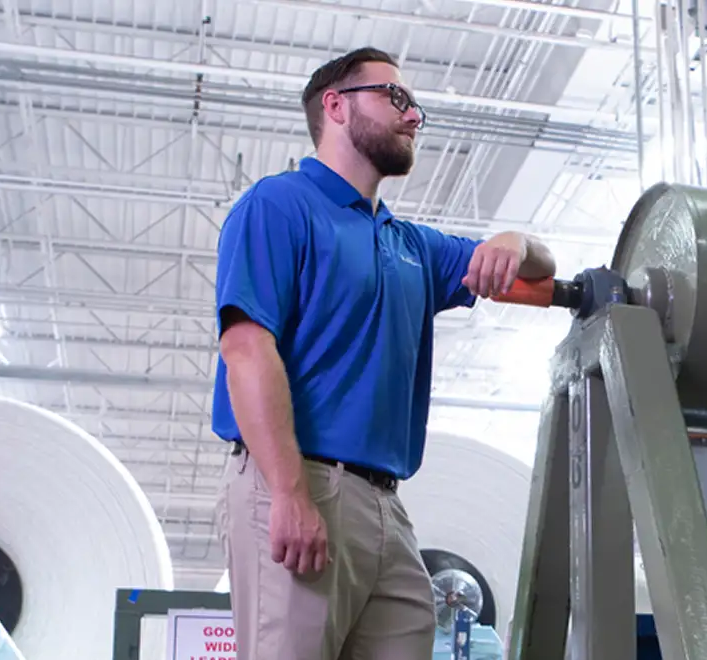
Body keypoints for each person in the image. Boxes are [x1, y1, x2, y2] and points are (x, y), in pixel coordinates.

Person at [211, 46, 556, 660]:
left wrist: (515, 240)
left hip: (386, 504)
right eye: (394, 97)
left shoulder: (410, 246)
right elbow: (245, 347)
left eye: (415, 105)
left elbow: (541, 268)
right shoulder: (279, 205)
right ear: (335, 106)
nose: (412, 116)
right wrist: (289, 493)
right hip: (297, 480)